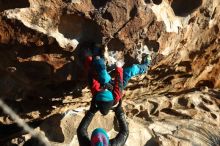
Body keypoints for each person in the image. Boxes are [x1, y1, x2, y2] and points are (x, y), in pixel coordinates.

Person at [83, 46, 151, 115]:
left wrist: (88, 58)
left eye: (102, 91)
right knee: (131, 70)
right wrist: (119, 68)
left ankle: (98, 53)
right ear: (112, 97)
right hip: (117, 85)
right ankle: (146, 66)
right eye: (107, 92)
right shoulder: (116, 97)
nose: (105, 90)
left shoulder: (96, 92)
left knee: (103, 75)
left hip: (106, 82)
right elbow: (119, 82)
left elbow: (90, 74)